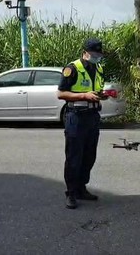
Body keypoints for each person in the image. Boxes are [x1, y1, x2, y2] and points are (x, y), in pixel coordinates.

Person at [57, 38, 107, 209]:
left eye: (98, 54)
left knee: (89, 156)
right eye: (93, 54)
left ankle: (81, 188)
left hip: (93, 117)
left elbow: (96, 89)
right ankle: (71, 193)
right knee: (74, 157)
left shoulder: (98, 68)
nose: (96, 57)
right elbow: (61, 93)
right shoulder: (73, 69)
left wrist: (103, 95)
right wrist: (84, 96)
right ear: (85, 52)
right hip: (76, 117)